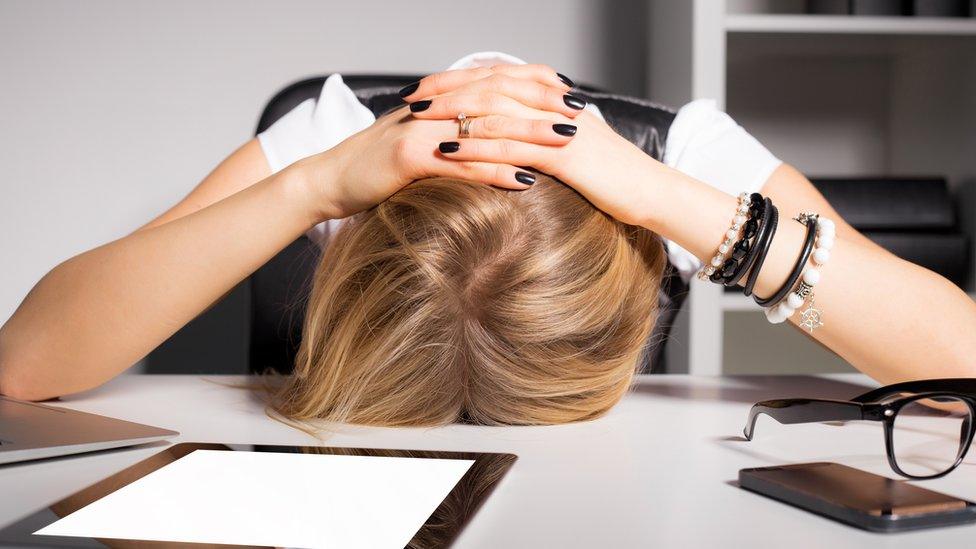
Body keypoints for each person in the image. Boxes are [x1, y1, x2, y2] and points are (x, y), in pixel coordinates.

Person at [1, 52, 974, 429]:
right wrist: (317, 178)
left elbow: (960, 359)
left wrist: (661, 193)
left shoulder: (677, 156)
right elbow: (27, 362)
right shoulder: (331, 135)